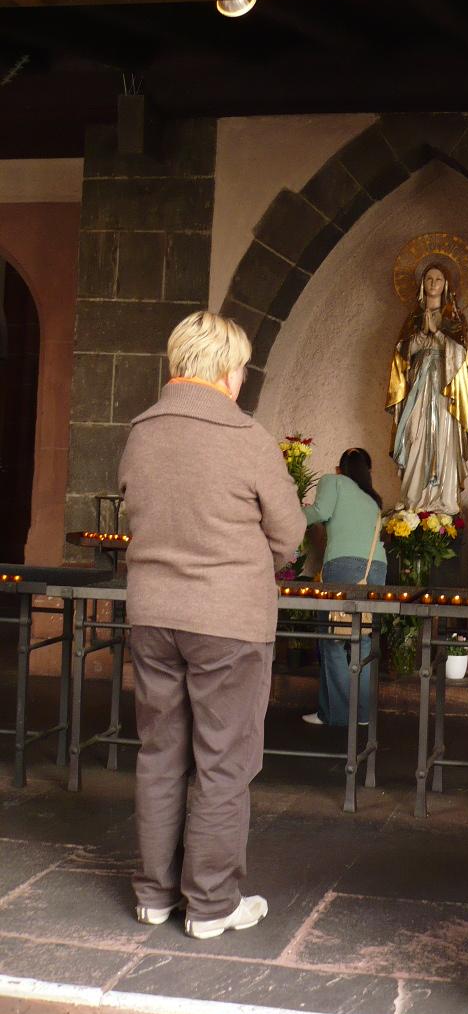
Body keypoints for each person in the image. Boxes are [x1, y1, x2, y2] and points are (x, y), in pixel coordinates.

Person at [119, 311, 304, 941]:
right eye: (242, 367)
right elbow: (289, 533)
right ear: (227, 370)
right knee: (223, 761)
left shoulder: (141, 432)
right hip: (229, 621)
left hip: (152, 614)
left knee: (160, 753)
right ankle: (211, 904)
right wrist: (248, 566)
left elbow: (138, 509)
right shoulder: (247, 436)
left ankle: (153, 895)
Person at [301, 447, 387, 728]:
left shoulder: (333, 481)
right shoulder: (373, 500)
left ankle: (335, 715)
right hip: (375, 568)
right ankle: (362, 715)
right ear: (367, 472)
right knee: (363, 638)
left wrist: (289, 515)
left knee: (333, 639)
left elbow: (319, 511)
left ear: (340, 469)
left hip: (344, 567)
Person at [386, 263, 468, 514]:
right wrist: (420, 335)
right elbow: (401, 356)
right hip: (418, 387)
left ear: (446, 284)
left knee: (442, 439)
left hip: (444, 390)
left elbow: (462, 356)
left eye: (438, 279)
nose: (433, 283)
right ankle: (414, 499)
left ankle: (442, 500)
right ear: (422, 283)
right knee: (414, 433)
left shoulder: (455, 319)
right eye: (428, 278)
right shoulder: (413, 319)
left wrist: (437, 333)